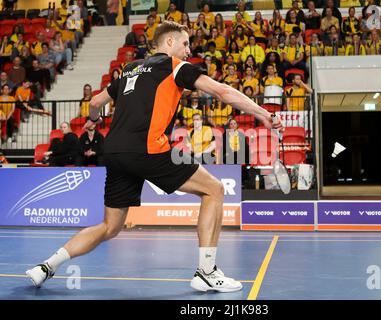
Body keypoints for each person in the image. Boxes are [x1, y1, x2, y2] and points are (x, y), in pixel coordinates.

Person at [26, 21, 281, 293]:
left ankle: (46, 266)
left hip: (114, 152)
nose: (188, 50)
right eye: (184, 44)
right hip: (147, 148)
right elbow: (222, 91)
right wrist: (264, 114)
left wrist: (92, 121)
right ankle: (206, 271)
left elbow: (95, 103)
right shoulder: (175, 67)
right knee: (214, 190)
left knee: (110, 226)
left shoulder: (129, 69)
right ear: (168, 43)